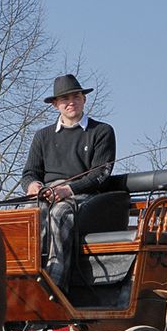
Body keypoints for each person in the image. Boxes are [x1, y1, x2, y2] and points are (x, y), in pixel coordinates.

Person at [20, 74, 117, 291]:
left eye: (76, 96)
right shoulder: (42, 136)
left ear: (84, 99)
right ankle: (22, 278)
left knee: (59, 214)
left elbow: (99, 174)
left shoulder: (101, 132)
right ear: (55, 105)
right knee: (27, 215)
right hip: (46, 194)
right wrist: (32, 186)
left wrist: (68, 189)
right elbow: (29, 173)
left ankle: (55, 284)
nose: (70, 102)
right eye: (64, 99)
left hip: (85, 196)